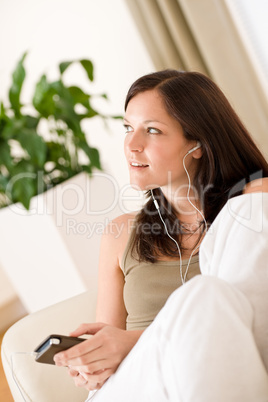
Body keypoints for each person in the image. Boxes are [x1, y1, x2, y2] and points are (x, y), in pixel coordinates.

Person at [53, 70, 268, 399]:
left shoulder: (252, 209)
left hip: (226, 375)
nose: (132, 145)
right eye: (128, 128)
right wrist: (92, 361)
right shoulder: (120, 233)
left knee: (208, 294)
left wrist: (132, 340)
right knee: (207, 294)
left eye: (152, 130)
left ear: (198, 143)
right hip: (139, 388)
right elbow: (107, 357)